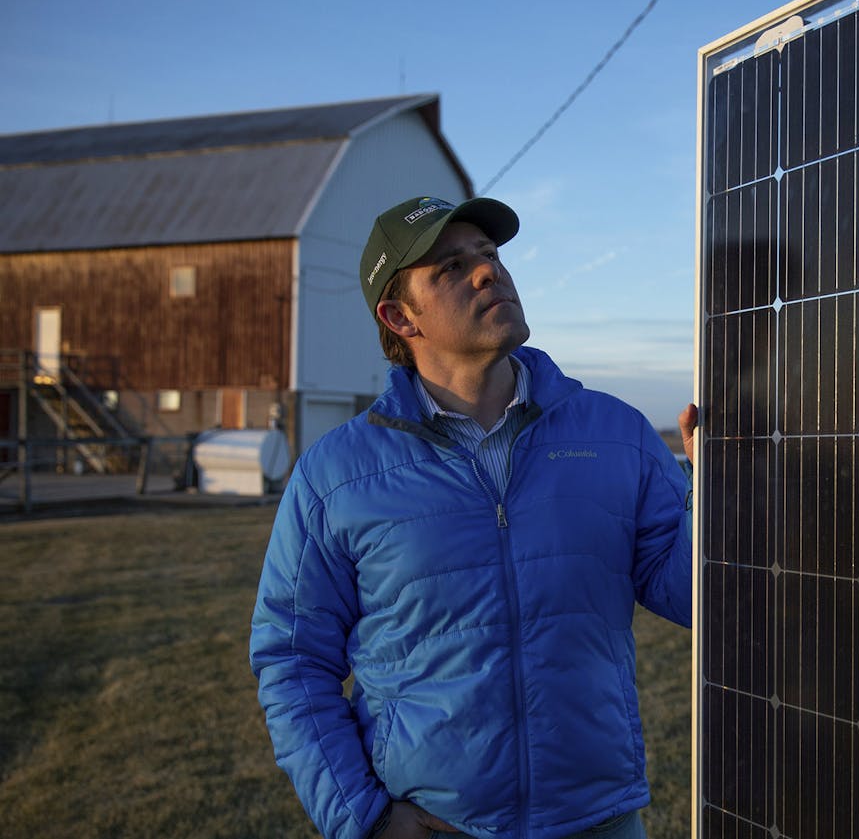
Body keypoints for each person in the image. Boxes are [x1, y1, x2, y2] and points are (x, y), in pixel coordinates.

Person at [250, 195, 698, 839]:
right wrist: (363, 817)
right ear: (400, 317)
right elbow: (292, 660)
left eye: (489, 255)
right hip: (439, 824)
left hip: (597, 819)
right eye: (451, 268)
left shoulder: (616, 434)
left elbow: (689, 594)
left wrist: (719, 497)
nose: (489, 272)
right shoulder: (335, 474)